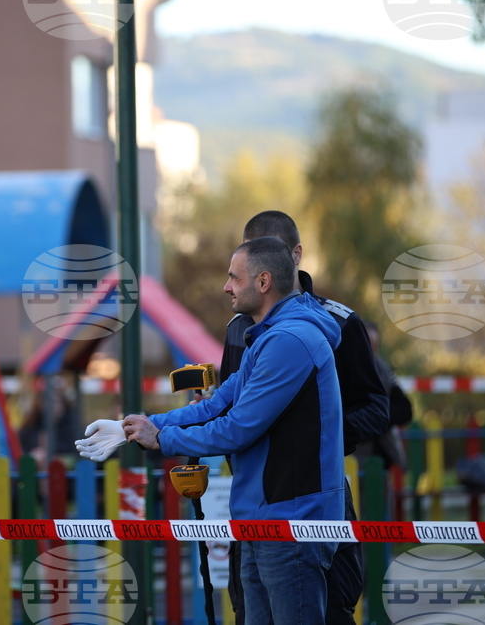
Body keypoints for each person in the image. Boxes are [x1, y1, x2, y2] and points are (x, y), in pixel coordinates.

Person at [124, 237, 345, 624]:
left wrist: (162, 440)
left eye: (233, 277)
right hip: (265, 517)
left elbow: (238, 429)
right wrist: (146, 424)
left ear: (262, 282)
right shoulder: (271, 336)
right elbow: (218, 403)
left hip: (291, 521)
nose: (226, 286)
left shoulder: (289, 341)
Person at [218, 211, 390, 625]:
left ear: (294, 255)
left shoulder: (339, 322)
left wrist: (320, 437)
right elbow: (228, 408)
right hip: (253, 500)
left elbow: (378, 407)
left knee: (330, 608)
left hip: (316, 495)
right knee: (249, 611)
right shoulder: (238, 328)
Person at [355, 320, 413, 472]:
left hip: (384, 457)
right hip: (356, 457)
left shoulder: (384, 369)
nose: (370, 350)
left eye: (374, 345)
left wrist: (377, 418)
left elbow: (405, 410)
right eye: (367, 343)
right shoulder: (347, 370)